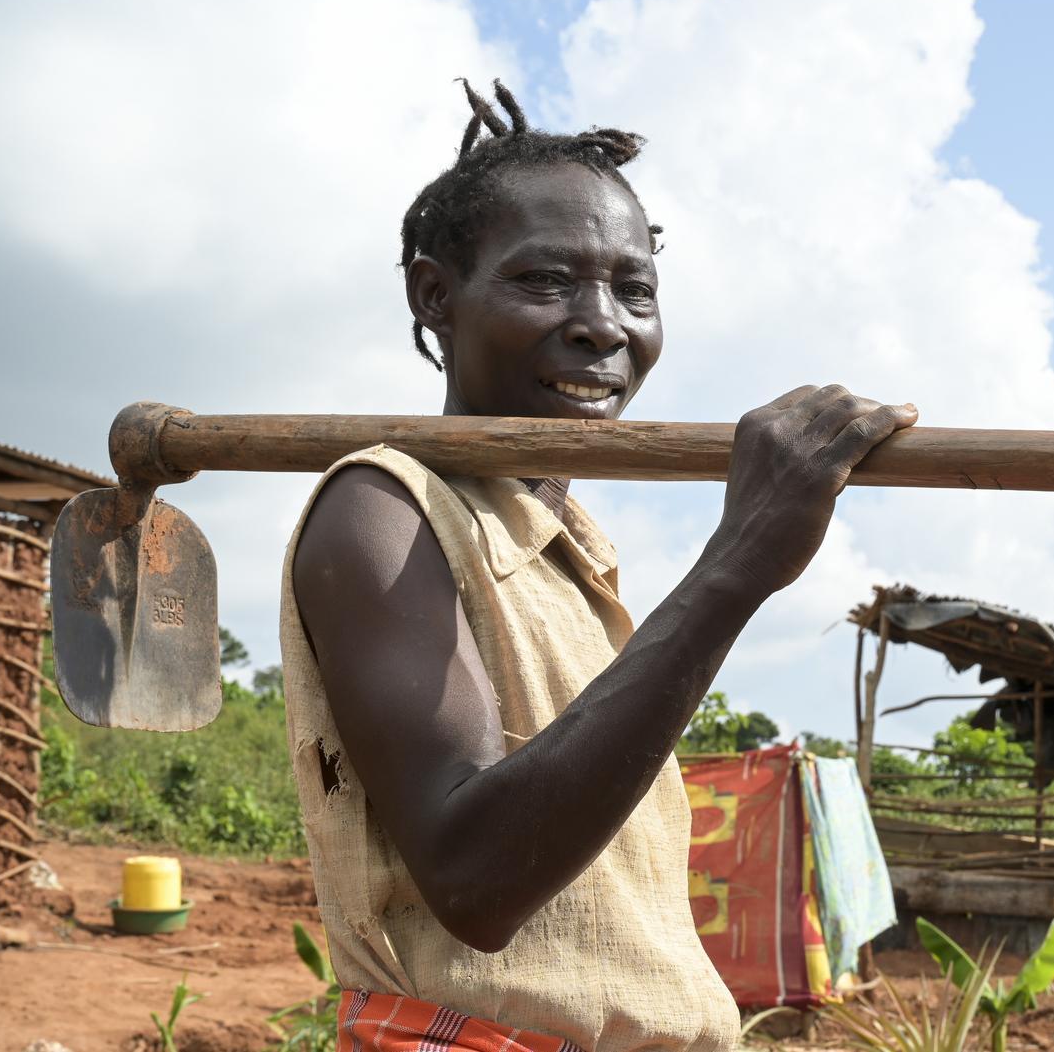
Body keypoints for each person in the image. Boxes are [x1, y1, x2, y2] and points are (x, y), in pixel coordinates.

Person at [280, 79, 916, 1051]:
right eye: (544, 281)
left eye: (634, 289)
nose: (602, 324)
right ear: (434, 296)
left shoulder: (577, 548)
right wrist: (738, 565)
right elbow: (475, 877)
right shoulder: (387, 511)